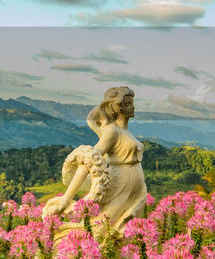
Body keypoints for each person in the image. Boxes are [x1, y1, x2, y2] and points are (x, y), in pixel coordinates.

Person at [43, 86, 147, 241]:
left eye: (131, 103)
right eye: (127, 104)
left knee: (125, 234)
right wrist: (67, 197)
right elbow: (89, 160)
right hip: (120, 185)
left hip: (135, 189)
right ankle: (66, 243)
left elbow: (91, 120)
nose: (132, 107)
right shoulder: (112, 131)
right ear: (116, 108)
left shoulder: (124, 132)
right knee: (104, 229)